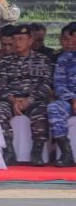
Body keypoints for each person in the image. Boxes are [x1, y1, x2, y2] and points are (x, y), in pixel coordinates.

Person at [0, 25, 52, 166]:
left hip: (35, 100)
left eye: (21, 39)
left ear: (30, 40)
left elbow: (46, 84)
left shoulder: (42, 60)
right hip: (10, 101)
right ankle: (8, 151)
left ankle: (37, 152)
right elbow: (0, 86)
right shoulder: (5, 61)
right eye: (14, 39)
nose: (17, 42)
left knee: (42, 113)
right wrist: (13, 101)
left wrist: (29, 100)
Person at [47, 23, 76, 167]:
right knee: (54, 108)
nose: (70, 41)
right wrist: (72, 99)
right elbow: (59, 85)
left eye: (72, 37)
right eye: (68, 38)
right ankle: (66, 153)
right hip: (70, 102)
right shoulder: (64, 58)